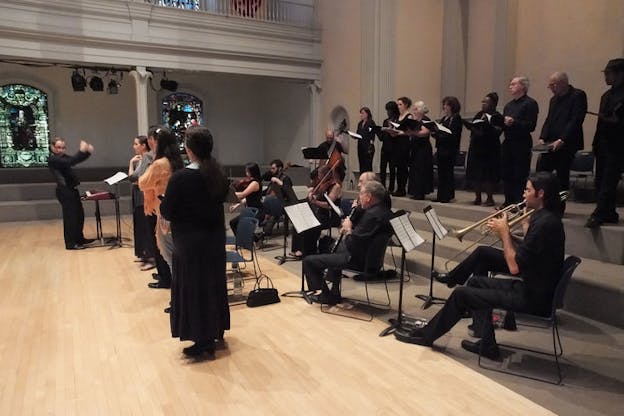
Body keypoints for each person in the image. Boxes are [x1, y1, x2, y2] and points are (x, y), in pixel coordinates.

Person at [397, 172, 565, 360]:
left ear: (540, 193)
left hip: (534, 298)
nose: (524, 194)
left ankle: (425, 336)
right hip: (535, 289)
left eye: (528, 190)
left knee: (462, 294)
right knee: (476, 281)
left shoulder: (545, 224)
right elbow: (529, 251)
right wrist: (520, 226)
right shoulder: (545, 219)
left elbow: (515, 267)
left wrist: (504, 234)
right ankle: (487, 345)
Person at [160, 125, 230, 359]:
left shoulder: (181, 178)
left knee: (194, 289)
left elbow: (167, 210)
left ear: (189, 150)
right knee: (212, 285)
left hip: (190, 244)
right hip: (214, 241)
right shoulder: (219, 173)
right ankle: (215, 330)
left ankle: (202, 340)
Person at [302, 180, 392, 305]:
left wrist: (348, 229)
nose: (359, 197)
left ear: (369, 196)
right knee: (334, 249)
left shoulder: (371, 215)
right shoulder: (384, 211)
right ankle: (334, 292)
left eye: (361, 194)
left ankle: (325, 296)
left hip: (358, 261)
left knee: (309, 261)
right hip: (372, 260)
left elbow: (352, 244)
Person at [139, 126, 184, 290]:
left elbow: (143, 182)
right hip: (176, 210)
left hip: (164, 211)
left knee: (168, 254)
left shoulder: (159, 163)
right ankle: (178, 290)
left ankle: (177, 293)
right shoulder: (177, 162)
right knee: (175, 254)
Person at [537, 72, 588, 212]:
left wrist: (562, 139)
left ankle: (560, 207)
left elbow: (576, 120)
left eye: (552, 85)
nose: (550, 88)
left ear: (563, 83)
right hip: (550, 143)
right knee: (542, 173)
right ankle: (543, 204)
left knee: (562, 177)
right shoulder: (554, 100)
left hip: (567, 144)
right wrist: (543, 136)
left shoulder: (578, 95)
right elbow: (549, 119)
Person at [586, 58, 624, 228]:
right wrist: (595, 144)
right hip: (603, 144)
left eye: (609, 73)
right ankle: (609, 212)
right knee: (600, 180)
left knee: (609, 180)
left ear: (620, 74)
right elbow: (601, 124)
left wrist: (614, 120)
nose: (606, 77)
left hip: (618, 145)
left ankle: (600, 213)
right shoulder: (606, 95)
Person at [48, 137, 95, 250]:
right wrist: (81, 151)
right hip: (65, 191)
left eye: (63, 148)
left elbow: (75, 160)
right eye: (58, 147)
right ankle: (70, 243)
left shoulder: (63, 157)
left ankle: (79, 238)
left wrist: (87, 152)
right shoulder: (53, 159)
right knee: (70, 217)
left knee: (79, 215)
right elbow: (71, 161)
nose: (61, 150)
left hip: (72, 190)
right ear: (52, 147)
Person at [501, 76, 539, 206]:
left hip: (521, 143)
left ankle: (519, 202)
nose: (510, 86)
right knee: (507, 173)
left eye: (513, 84)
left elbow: (531, 125)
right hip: (508, 142)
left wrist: (514, 122)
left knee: (520, 173)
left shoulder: (530, 103)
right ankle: (508, 201)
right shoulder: (508, 105)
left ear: (523, 86)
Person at [290, 164, 342, 257]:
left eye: (319, 174)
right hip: (319, 213)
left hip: (329, 216)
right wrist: (311, 195)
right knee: (299, 220)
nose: (318, 177)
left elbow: (329, 205)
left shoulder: (336, 186)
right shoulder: (323, 184)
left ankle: (307, 251)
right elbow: (317, 196)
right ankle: (297, 248)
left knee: (309, 224)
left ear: (326, 174)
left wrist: (315, 202)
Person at [465, 92, 504, 206]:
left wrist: (488, 126)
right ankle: (477, 197)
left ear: (493, 104)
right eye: (483, 102)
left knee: (488, 174)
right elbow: (475, 126)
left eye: (486, 102)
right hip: (477, 147)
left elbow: (498, 131)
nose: (483, 104)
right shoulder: (479, 114)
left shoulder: (497, 116)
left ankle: (490, 198)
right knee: (476, 173)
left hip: (490, 149)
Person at [127, 135, 155, 269]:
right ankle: (143, 254)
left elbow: (133, 177)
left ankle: (150, 257)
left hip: (144, 195)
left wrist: (131, 164)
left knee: (145, 226)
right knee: (140, 225)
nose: (134, 146)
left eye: (136, 144)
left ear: (144, 145)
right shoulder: (142, 159)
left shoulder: (147, 158)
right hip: (138, 193)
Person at [432, 96, 463, 203]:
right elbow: (441, 133)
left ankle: (447, 195)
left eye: (447, 104)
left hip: (450, 149)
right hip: (441, 148)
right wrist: (435, 132)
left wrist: (440, 133)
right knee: (441, 173)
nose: (444, 107)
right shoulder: (444, 119)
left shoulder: (456, 118)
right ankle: (440, 195)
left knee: (448, 173)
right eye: (444, 104)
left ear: (452, 106)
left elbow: (453, 134)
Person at [261, 159, 298, 235]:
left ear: (280, 168)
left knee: (270, 201)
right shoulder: (274, 177)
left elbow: (288, 192)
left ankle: (265, 228)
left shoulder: (285, 178)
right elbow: (268, 189)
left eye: (273, 168)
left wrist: (278, 182)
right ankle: (260, 225)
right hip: (273, 203)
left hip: (282, 203)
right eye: (271, 168)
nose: (271, 170)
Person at [406, 101, 434, 200]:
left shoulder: (426, 120)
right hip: (415, 147)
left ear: (421, 110)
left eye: (416, 109)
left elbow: (425, 133)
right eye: (414, 108)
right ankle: (415, 191)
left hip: (423, 148)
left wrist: (412, 132)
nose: (414, 111)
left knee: (421, 170)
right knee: (414, 170)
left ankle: (421, 192)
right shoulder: (414, 120)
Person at [229, 162, 265, 236]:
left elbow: (243, 194)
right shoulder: (251, 182)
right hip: (250, 210)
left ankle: (253, 239)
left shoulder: (255, 183)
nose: (246, 173)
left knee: (239, 225)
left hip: (257, 211)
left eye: (247, 171)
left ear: (252, 172)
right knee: (233, 223)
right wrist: (236, 206)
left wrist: (228, 193)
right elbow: (247, 198)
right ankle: (241, 241)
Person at [389, 97, 413, 197]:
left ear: (406, 105)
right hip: (396, 143)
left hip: (404, 143)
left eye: (400, 104)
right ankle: (398, 188)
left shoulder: (409, 116)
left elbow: (410, 131)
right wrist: (391, 131)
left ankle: (402, 189)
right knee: (397, 166)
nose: (398, 106)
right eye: (398, 104)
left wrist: (399, 133)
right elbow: (395, 128)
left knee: (403, 167)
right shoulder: (398, 116)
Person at [378, 101, 400, 192]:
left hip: (394, 148)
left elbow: (397, 134)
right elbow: (382, 137)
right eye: (387, 110)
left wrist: (390, 129)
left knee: (392, 169)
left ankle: (391, 188)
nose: (388, 112)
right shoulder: (385, 121)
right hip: (385, 147)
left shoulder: (397, 120)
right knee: (382, 168)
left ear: (393, 110)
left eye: (389, 110)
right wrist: (379, 131)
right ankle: (383, 187)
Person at [354, 106, 376, 173]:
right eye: (360, 113)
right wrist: (354, 136)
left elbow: (372, 134)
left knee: (367, 166)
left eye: (362, 113)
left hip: (367, 147)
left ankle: (368, 182)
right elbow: (358, 133)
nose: (361, 115)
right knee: (361, 165)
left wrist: (371, 144)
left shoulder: (371, 122)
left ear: (367, 114)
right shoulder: (360, 124)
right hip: (360, 147)